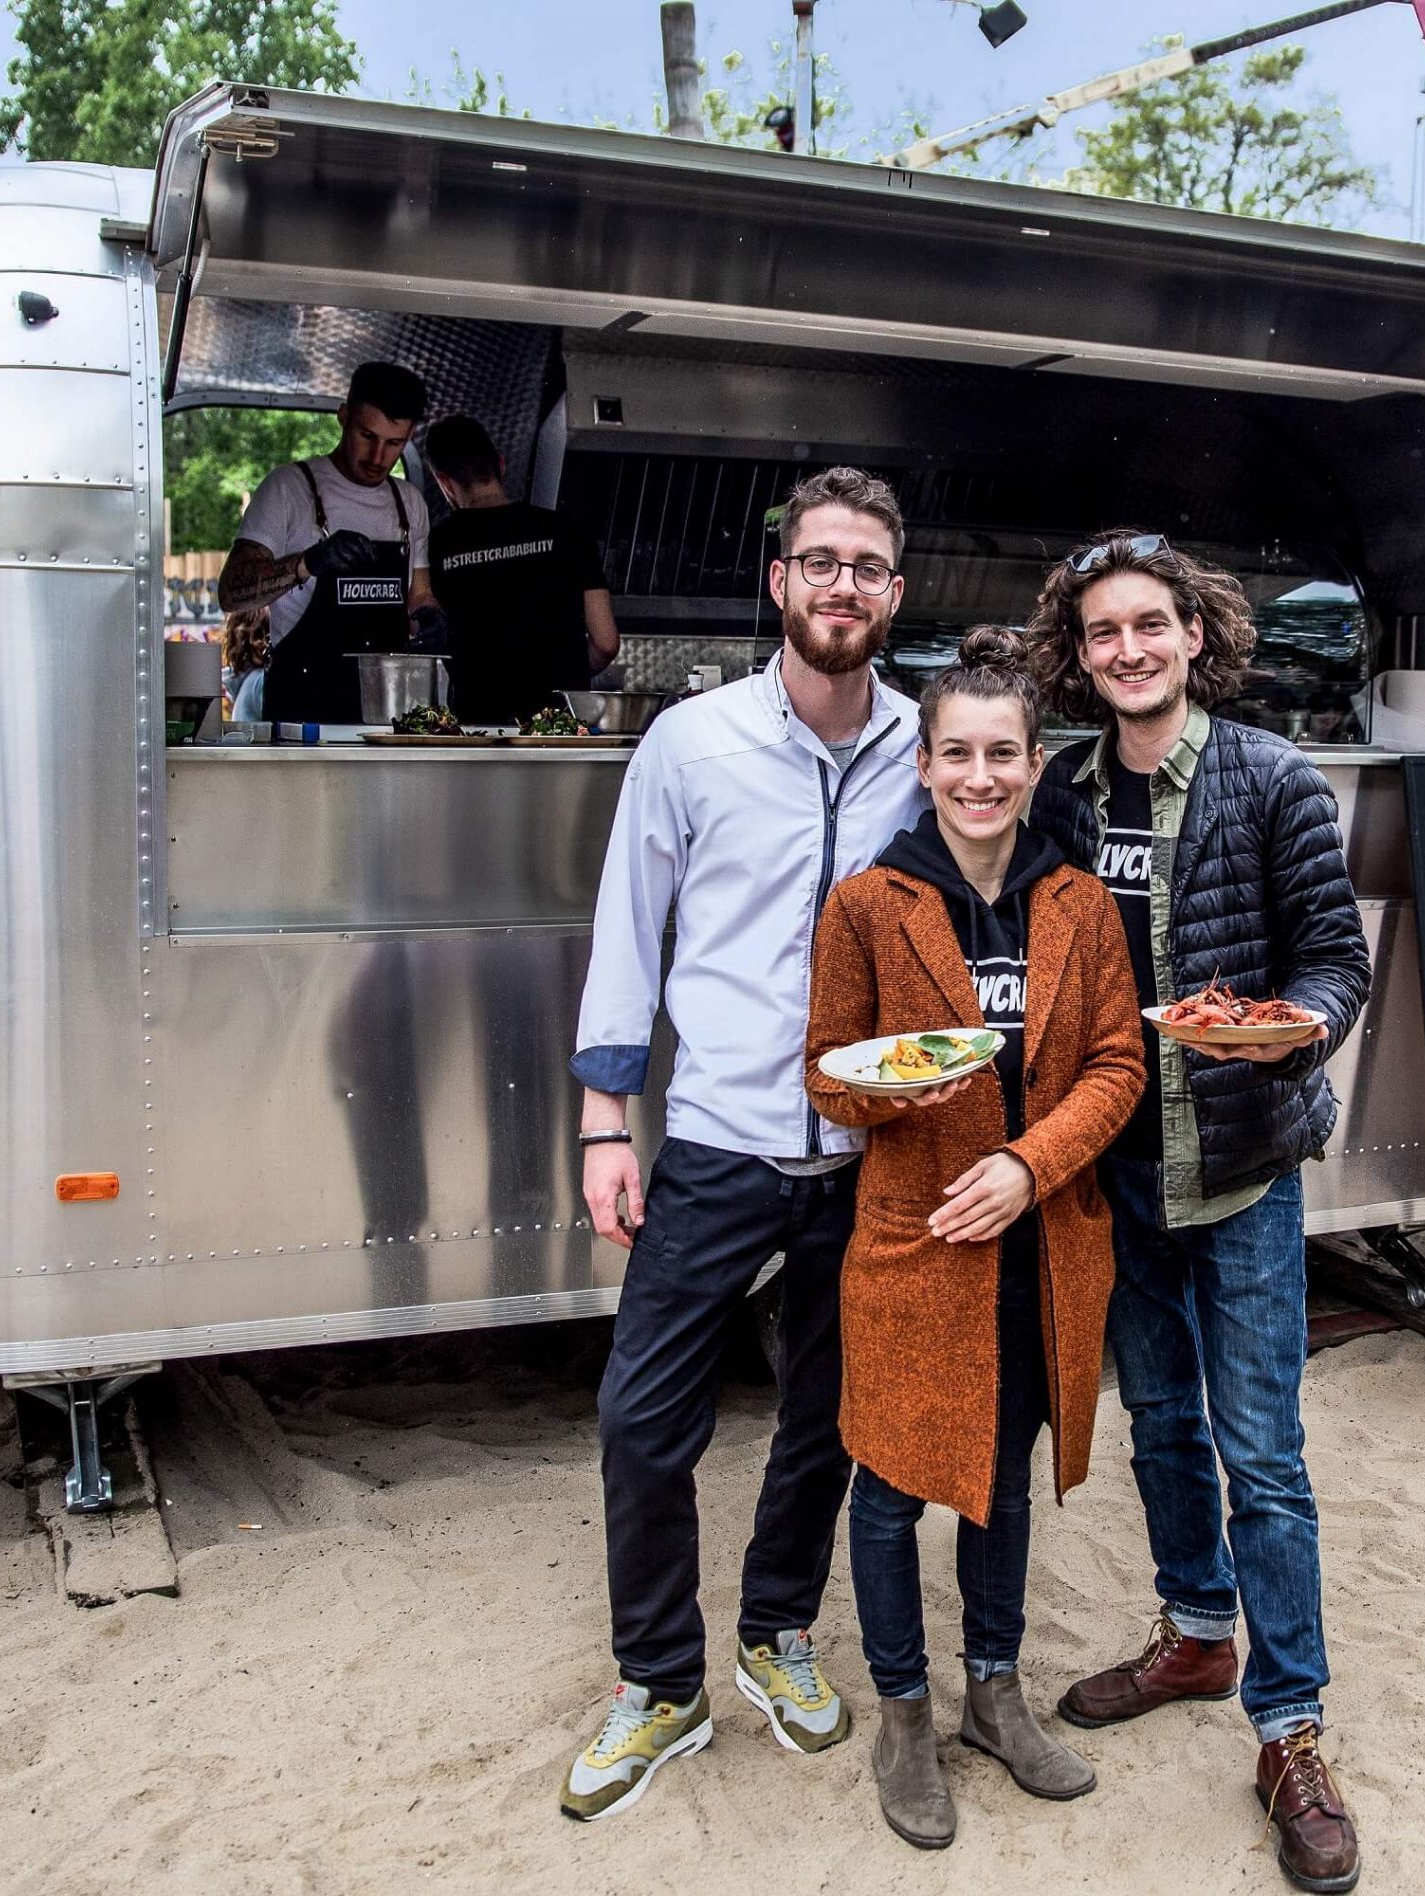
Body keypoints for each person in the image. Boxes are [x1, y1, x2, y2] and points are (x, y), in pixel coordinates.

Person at [561, 466, 926, 1822]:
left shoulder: (924, 748)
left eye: (867, 567)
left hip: (868, 1154)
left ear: (896, 592)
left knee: (825, 1416)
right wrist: (609, 1117)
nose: (841, 587)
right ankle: (659, 1685)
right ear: (779, 583)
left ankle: (776, 1634)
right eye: (818, 561)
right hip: (716, 1139)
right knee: (641, 1418)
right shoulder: (691, 741)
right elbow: (628, 932)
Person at [1022, 531, 1373, 1895]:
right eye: (1103, 631)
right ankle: (1195, 1629)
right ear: (1081, 651)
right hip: (1121, 1176)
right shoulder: (1063, 790)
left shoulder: (1271, 777)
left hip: (1240, 1169)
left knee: (1265, 1452)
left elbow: (1334, 960)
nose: (1128, 648)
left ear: (1194, 633)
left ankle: (1289, 1732)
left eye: (1149, 625)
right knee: (1162, 1423)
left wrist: (1291, 1033)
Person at [803, 627, 1146, 1851]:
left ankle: (993, 1694)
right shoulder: (870, 906)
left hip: (1036, 1243)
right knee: (893, 1490)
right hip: (911, 1241)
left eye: (1003, 753)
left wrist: (1025, 1164)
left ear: (1037, 763)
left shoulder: (1079, 905)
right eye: (958, 754)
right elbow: (828, 1075)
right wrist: (894, 1090)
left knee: (1001, 1483)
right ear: (925, 764)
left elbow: (1117, 1067)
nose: (981, 777)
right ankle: (906, 1715)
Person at [217, 361, 435, 726]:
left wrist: (430, 618)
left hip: (385, 716)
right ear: (344, 416)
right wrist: (307, 563)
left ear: (409, 435)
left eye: (394, 443)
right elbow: (231, 593)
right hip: (303, 715)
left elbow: (420, 595)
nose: (378, 457)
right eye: (367, 436)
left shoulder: (409, 502)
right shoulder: (289, 489)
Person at [411, 413, 620, 726]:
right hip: (557, 726)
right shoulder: (566, 530)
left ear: (444, 482)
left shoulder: (438, 543)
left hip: (479, 724)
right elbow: (606, 642)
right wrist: (566, 671)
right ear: (501, 464)